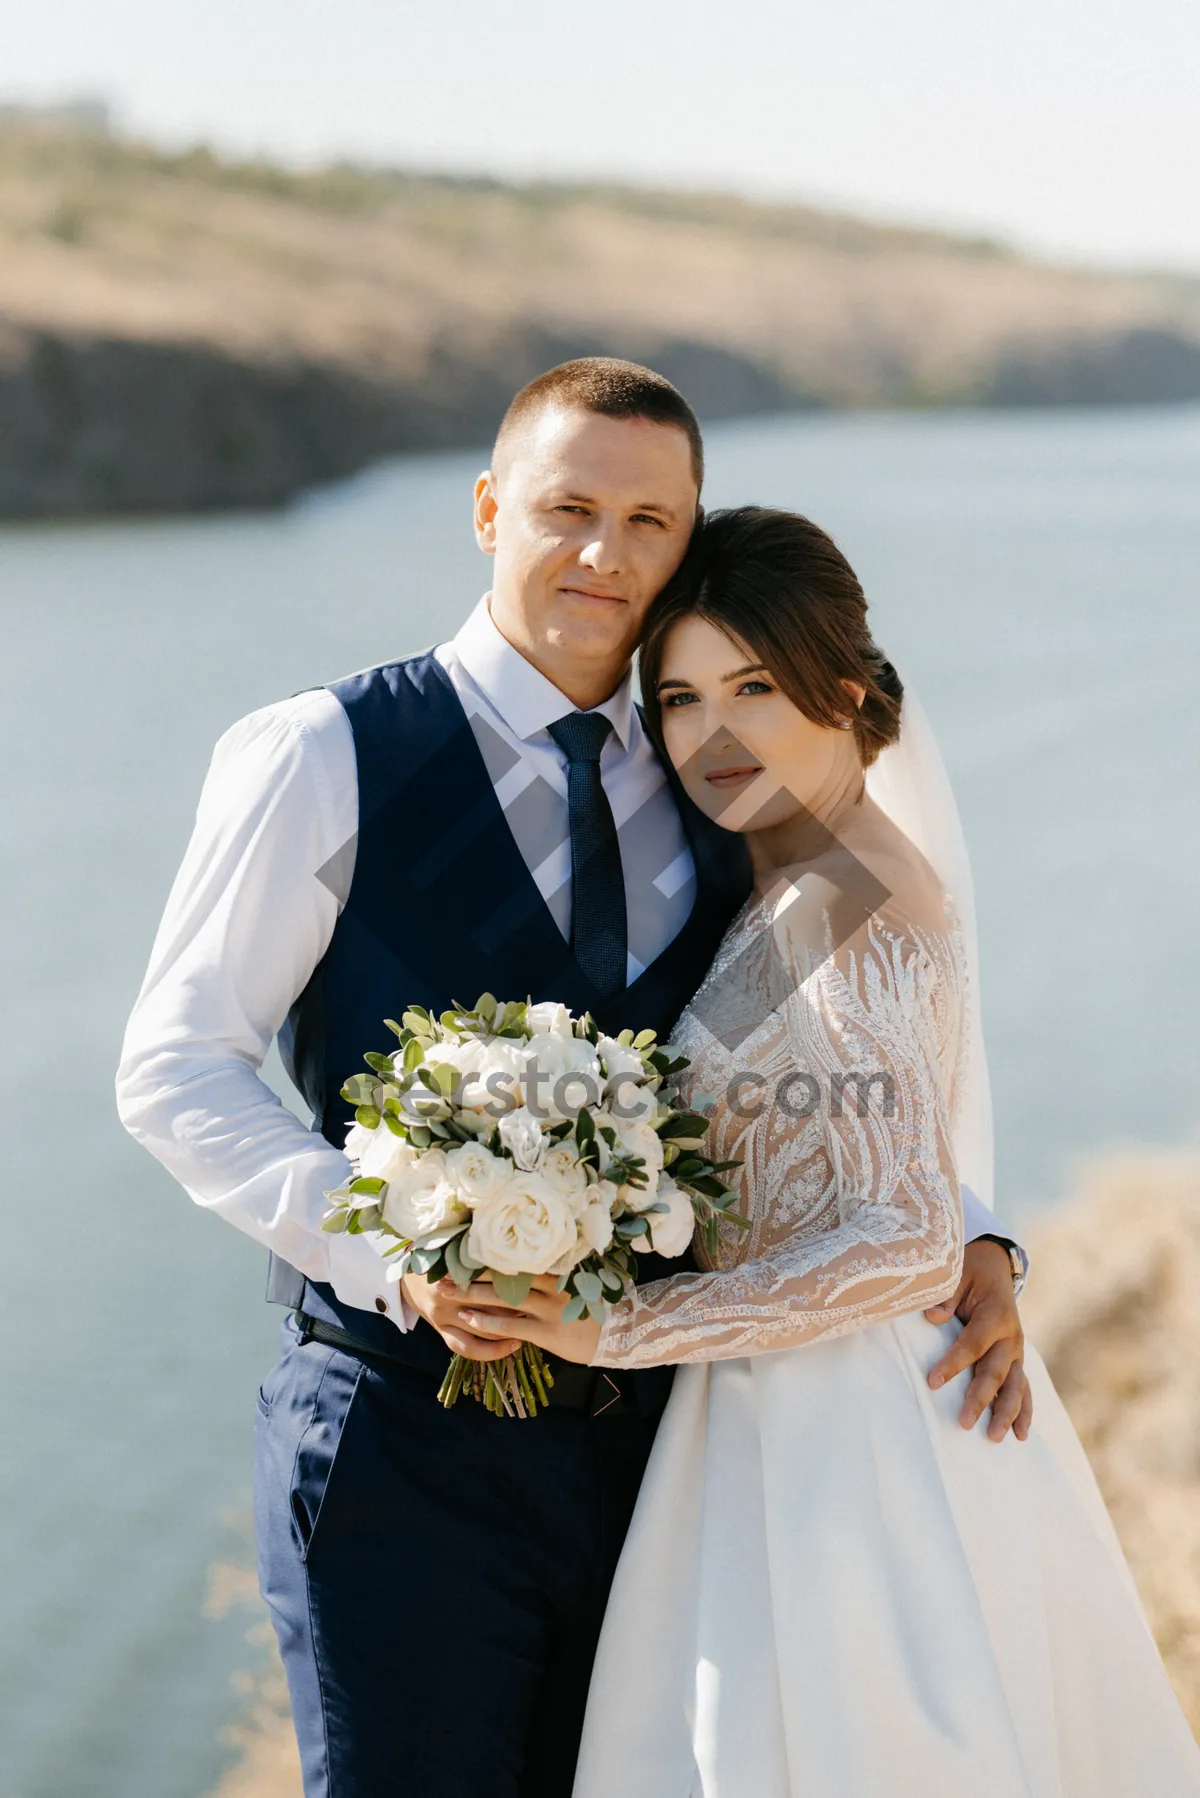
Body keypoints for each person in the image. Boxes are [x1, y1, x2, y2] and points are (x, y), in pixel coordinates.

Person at [116, 362, 1029, 1798]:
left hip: (661, 1464)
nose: (606, 554)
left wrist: (967, 1225)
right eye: (569, 508)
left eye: (650, 521)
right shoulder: (323, 754)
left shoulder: (718, 758)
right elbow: (175, 1066)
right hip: (402, 1447)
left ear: (688, 537)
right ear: (490, 508)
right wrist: (391, 1248)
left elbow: (817, 1040)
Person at [461, 506, 1200, 1796]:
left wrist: (611, 1331)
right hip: (772, 1404)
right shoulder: (802, 877)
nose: (711, 734)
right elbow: (892, 1153)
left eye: (753, 687)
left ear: (841, 689)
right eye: (679, 698)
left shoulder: (849, 895)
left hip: (850, 1442)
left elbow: (905, 1235)